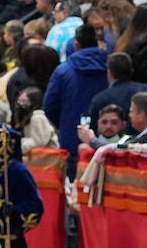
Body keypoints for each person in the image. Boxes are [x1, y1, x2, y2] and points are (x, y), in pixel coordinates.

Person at [42, 23, 108, 168]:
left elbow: (49, 106)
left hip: (72, 136)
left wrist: (64, 123)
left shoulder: (63, 71)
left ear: (76, 44)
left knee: (74, 179)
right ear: (97, 42)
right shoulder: (110, 66)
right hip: (108, 136)